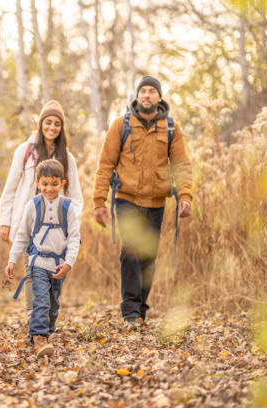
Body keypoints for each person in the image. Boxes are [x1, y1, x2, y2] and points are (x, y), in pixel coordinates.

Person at [92, 76, 193, 330]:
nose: (147, 95)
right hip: (127, 199)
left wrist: (185, 197)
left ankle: (140, 311)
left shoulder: (171, 128)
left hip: (157, 202)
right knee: (130, 251)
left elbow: (182, 166)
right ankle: (130, 312)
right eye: (143, 91)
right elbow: (105, 165)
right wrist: (99, 201)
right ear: (137, 97)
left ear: (159, 97)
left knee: (148, 256)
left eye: (151, 91)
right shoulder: (121, 125)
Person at [0, 100, 83, 316]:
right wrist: (5, 222)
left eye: (57, 123)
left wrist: (74, 223)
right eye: (48, 122)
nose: (52, 127)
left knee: (52, 274)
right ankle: (33, 315)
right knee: (31, 268)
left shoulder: (67, 157)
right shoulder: (25, 151)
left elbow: (76, 196)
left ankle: (45, 313)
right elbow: (10, 188)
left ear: (61, 127)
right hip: (27, 221)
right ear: (41, 123)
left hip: (56, 226)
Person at [5, 159, 81, 358]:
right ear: (38, 183)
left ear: (62, 184)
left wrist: (68, 263)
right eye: (45, 184)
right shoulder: (33, 206)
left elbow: (74, 238)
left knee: (53, 305)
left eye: (54, 184)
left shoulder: (68, 207)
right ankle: (39, 338)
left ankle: (45, 332)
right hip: (37, 262)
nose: (49, 188)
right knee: (41, 301)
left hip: (58, 266)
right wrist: (12, 260)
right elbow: (22, 235)